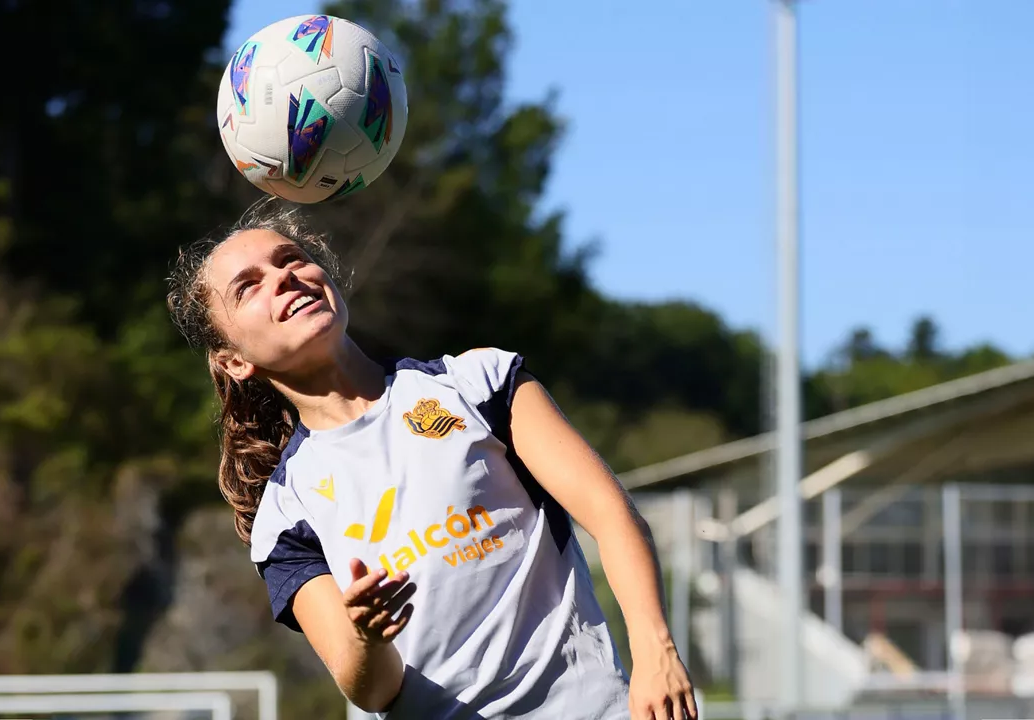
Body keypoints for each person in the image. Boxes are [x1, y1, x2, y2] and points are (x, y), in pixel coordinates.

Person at [166, 199, 697, 720]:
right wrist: (367, 637)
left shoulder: (479, 384)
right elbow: (375, 692)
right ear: (234, 361)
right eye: (248, 286)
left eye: (291, 259)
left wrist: (655, 651)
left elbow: (612, 515)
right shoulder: (285, 515)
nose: (284, 278)